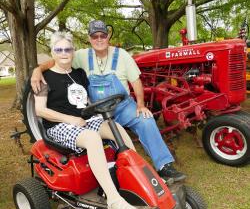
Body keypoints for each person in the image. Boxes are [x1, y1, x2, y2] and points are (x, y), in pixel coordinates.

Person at [31, 20, 186, 183]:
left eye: (102, 35)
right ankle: (117, 172)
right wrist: (37, 70)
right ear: (90, 38)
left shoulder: (122, 56)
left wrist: (140, 105)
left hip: (122, 107)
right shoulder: (81, 56)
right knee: (100, 136)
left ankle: (164, 167)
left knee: (146, 121)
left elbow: (136, 81)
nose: (99, 39)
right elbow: (57, 61)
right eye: (95, 36)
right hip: (96, 112)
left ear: (107, 37)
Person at [34, 31, 138, 209]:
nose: (64, 53)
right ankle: (113, 199)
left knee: (117, 129)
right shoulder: (43, 78)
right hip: (59, 126)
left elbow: (87, 101)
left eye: (68, 49)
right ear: (52, 52)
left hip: (84, 120)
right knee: (92, 138)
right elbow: (40, 110)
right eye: (59, 49)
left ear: (73, 51)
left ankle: (138, 179)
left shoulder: (79, 74)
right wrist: (70, 119)